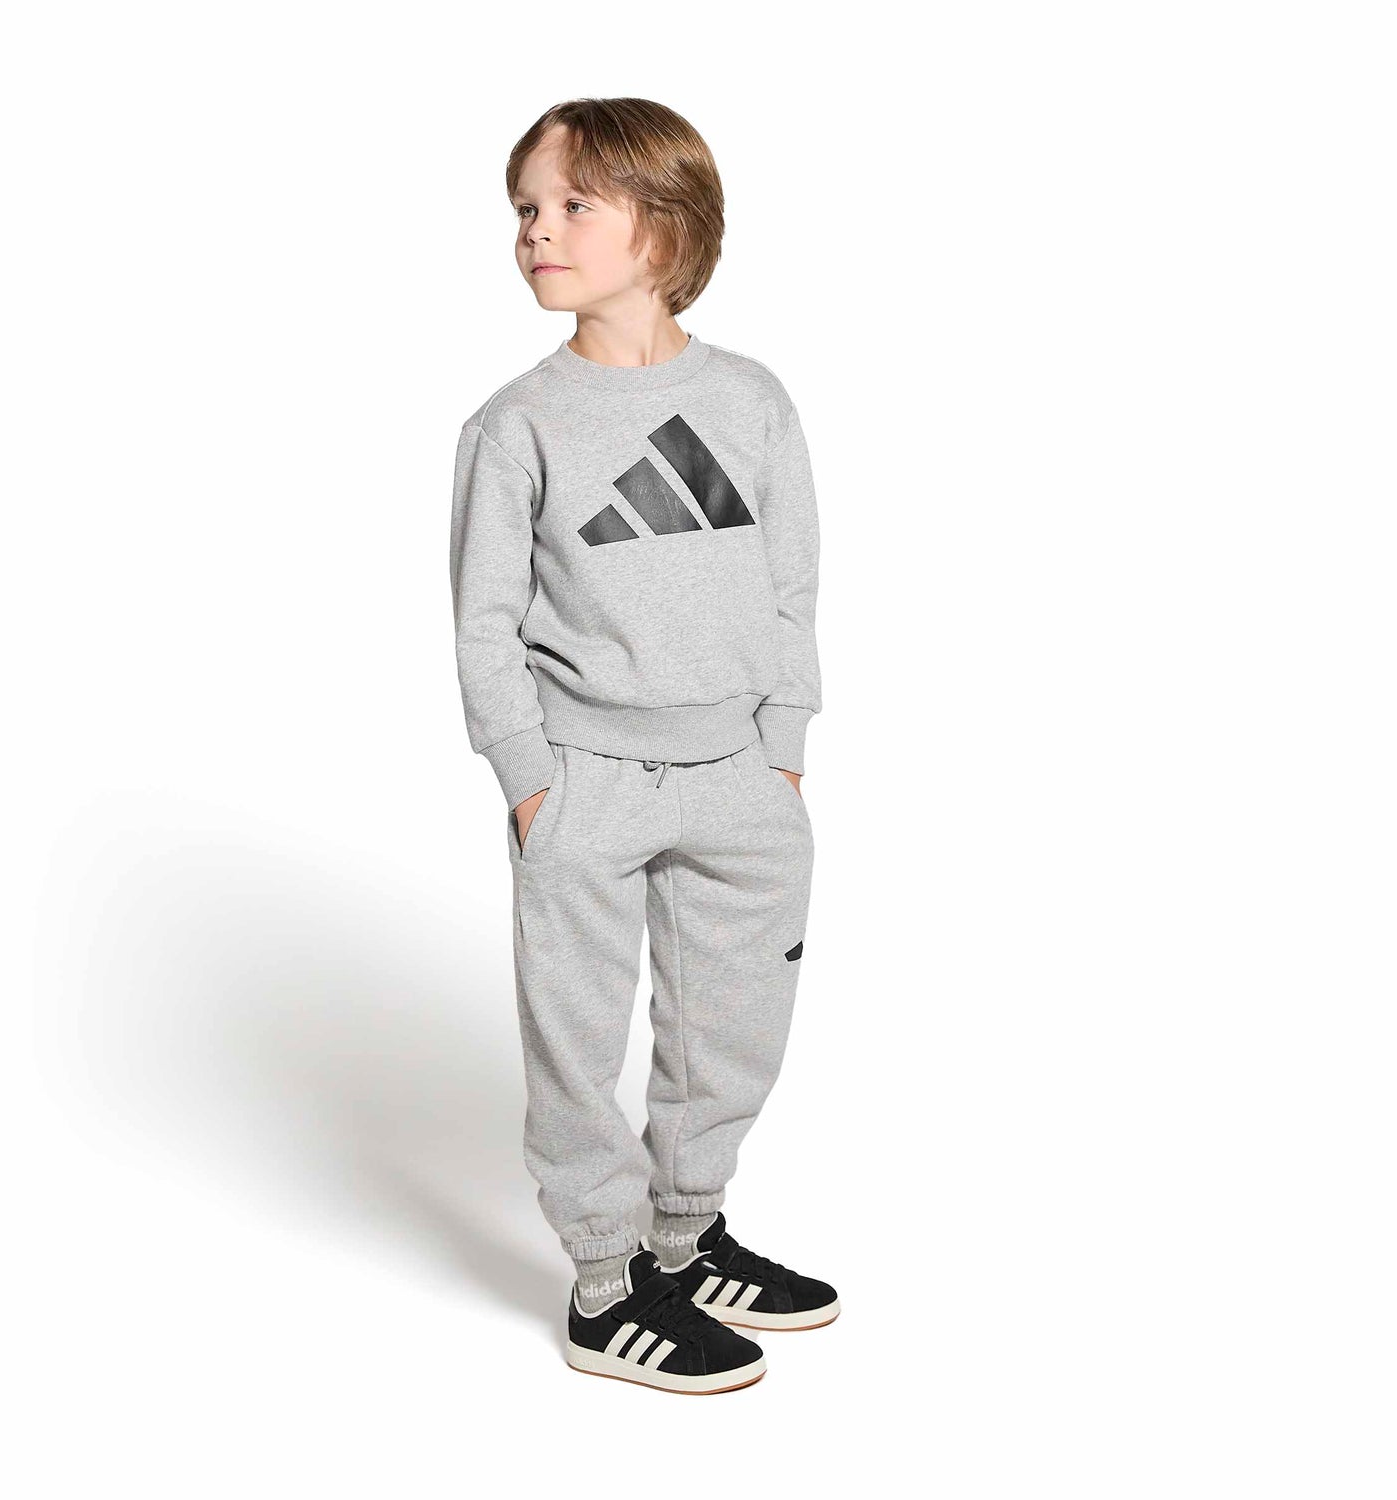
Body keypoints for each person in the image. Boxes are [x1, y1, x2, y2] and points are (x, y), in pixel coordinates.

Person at [448, 97, 838, 1394]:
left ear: (664, 228)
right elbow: (484, 624)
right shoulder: (519, 425)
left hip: (739, 775)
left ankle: (686, 1236)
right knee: (577, 1039)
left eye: (573, 205)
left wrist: (783, 746)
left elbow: (791, 589)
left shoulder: (751, 401)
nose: (536, 231)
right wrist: (531, 783)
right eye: (526, 208)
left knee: (734, 1023)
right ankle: (607, 1285)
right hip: (586, 781)